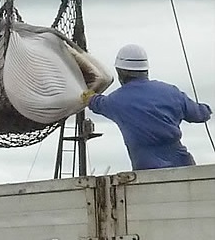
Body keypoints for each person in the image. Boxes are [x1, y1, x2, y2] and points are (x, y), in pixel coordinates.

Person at [81, 44, 212, 171]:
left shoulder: (115, 101)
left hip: (146, 171)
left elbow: (95, 102)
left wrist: (87, 95)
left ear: (119, 72)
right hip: (184, 167)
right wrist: (206, 109)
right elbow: (200, 114)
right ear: (146, 70)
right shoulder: (171, 92)